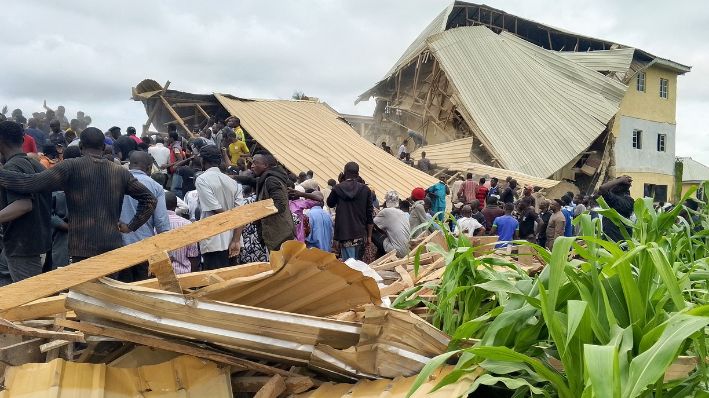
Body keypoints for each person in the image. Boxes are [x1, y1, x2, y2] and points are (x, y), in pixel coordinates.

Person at [0, 127, 157, 262]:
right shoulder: (120, 172)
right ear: (103, 147)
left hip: (82, 248)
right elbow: (149, 200)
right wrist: (130, 226)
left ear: (81, 146)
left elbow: (31, 183)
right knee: (107, 296)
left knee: (84, 296)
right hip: (112, 246)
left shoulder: (70, 167)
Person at [0, 121, 52, 285]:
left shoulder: (12, 167)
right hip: (37, 242)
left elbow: (23, 205)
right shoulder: (36, 164)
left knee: (29, 300)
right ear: (22, 140)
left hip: (23, 246)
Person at [117, 151, 171, 282]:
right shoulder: (156, 187)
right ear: (149, 167)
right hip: (144, 249)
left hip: (118, 249)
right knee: (143, 291)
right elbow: (161, 223)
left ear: (130, 165)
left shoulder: (116, 183)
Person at [195, 145, 244, 270]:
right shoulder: (233, 182)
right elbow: (240, 214)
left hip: (214, 240)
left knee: (215, 283)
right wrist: (236, 239)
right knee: (232, 280)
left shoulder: (202, 179)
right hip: (233, 240)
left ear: (203, 160)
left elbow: (216, 210)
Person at [327, 161, 373, 260]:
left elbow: (330, 203)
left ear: (344, 173)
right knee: (358, 265)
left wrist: (339, 184)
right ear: (357, 174)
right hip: (361, 234)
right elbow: (369, 215)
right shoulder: (366, 190)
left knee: (350, 267)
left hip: (345, 234)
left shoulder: (338, 188)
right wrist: (369, 236)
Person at [249, 152, 295, 251]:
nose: (252, 166)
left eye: (255, 163)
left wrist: (258, 213)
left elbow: (280, 205)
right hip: (279, 233)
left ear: (265, 165)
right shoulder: (267, 179)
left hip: (279, 235)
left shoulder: (271, 180)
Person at [164, 191, 199, 274]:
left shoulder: (154, 225)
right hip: (184, 275)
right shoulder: (187, 224)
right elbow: (193, 255)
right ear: (176, 206)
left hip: (160, 276)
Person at [373, 191, 410, 257]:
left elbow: (373, 224)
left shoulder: (386, 211)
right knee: (384, 236)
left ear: (386, 202)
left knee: (372, 231)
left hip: (397, 251)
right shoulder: (402, 213)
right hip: (407, 251)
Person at [598, 176, 634, 242]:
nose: (611, 187)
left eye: (614, 184)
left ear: (619, 187)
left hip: (616, 242)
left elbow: (602, 188)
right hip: (614, 239)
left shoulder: (619, 200)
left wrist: (620, 180)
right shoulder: (626, 199)